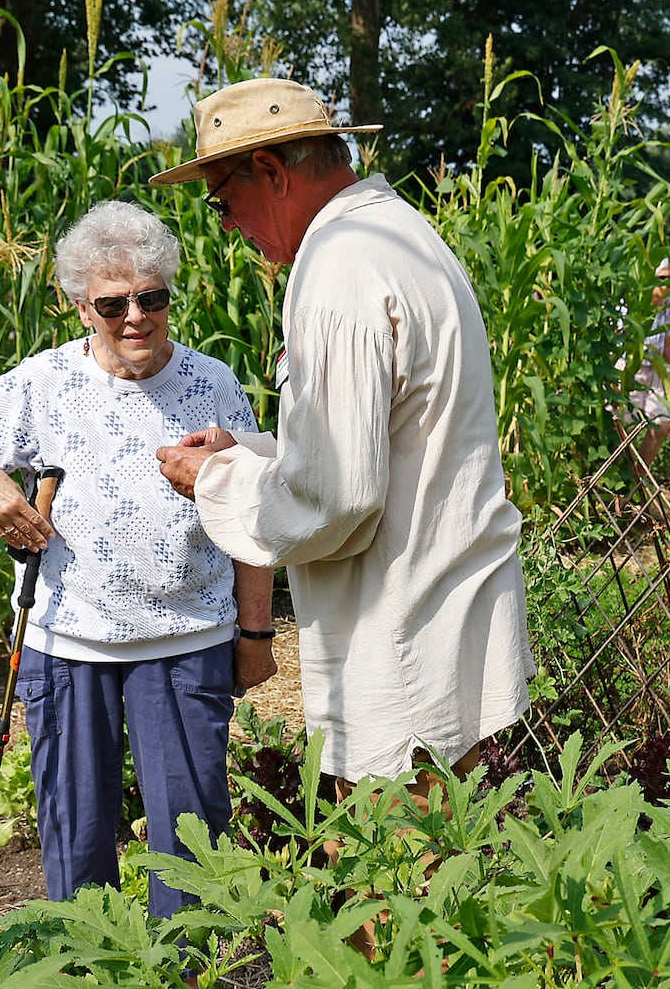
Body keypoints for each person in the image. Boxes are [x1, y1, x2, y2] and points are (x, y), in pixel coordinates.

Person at [149, 78, 535, 803]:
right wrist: (247, 451)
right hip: (445, 608)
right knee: (455, 855)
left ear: (270, 170)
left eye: (222, 201)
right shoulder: (398, 235)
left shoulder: (337, 271)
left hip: (400, 631)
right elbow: (388, 442)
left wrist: (212, 481)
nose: (227, 225)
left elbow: (337, 499)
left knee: (395, 881)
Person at [0, 200, 276, 921]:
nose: (136, 317)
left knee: (192, 843)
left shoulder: (212, 385)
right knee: (75, 836)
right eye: (114, 303)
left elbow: (254, 520)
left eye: (153, 298)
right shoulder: (42, 383)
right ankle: (87, 968)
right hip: (66, 641)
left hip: (186, 642)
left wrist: (256, 635)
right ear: (82, 307)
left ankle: (182, 972)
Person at [621, 257, 670, 466]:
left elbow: (666, 344)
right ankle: (616, 481)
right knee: (620, 429)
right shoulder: (629, 304)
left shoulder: (665, 306)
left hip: (653, 372)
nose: (666, 284)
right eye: (661, 278)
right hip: (629, 371)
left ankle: (639, 477)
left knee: (662, 425)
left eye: (669, 278)